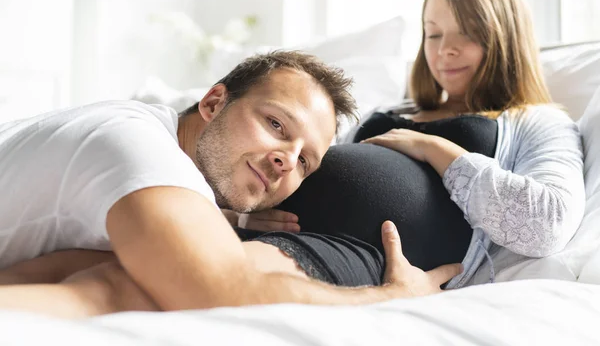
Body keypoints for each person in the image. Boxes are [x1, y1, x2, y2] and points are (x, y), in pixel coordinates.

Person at [0, 50, 461, 318]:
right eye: (276, 124)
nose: (286, 160)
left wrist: (225, 217)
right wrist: (394, 298)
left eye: (305, 161)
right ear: (213, 101)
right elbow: (223, 292)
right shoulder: (137, 148)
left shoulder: (157, 158)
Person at [242, 0, 586, 288]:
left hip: (361, 256)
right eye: (433, 35)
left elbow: (548, 223)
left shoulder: (539, 120)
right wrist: (249, 211)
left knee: (227, 279)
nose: (445, 50)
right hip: (282, 232)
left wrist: (433, 149)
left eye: (466, 33)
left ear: (505, 36)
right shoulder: (388, 109)